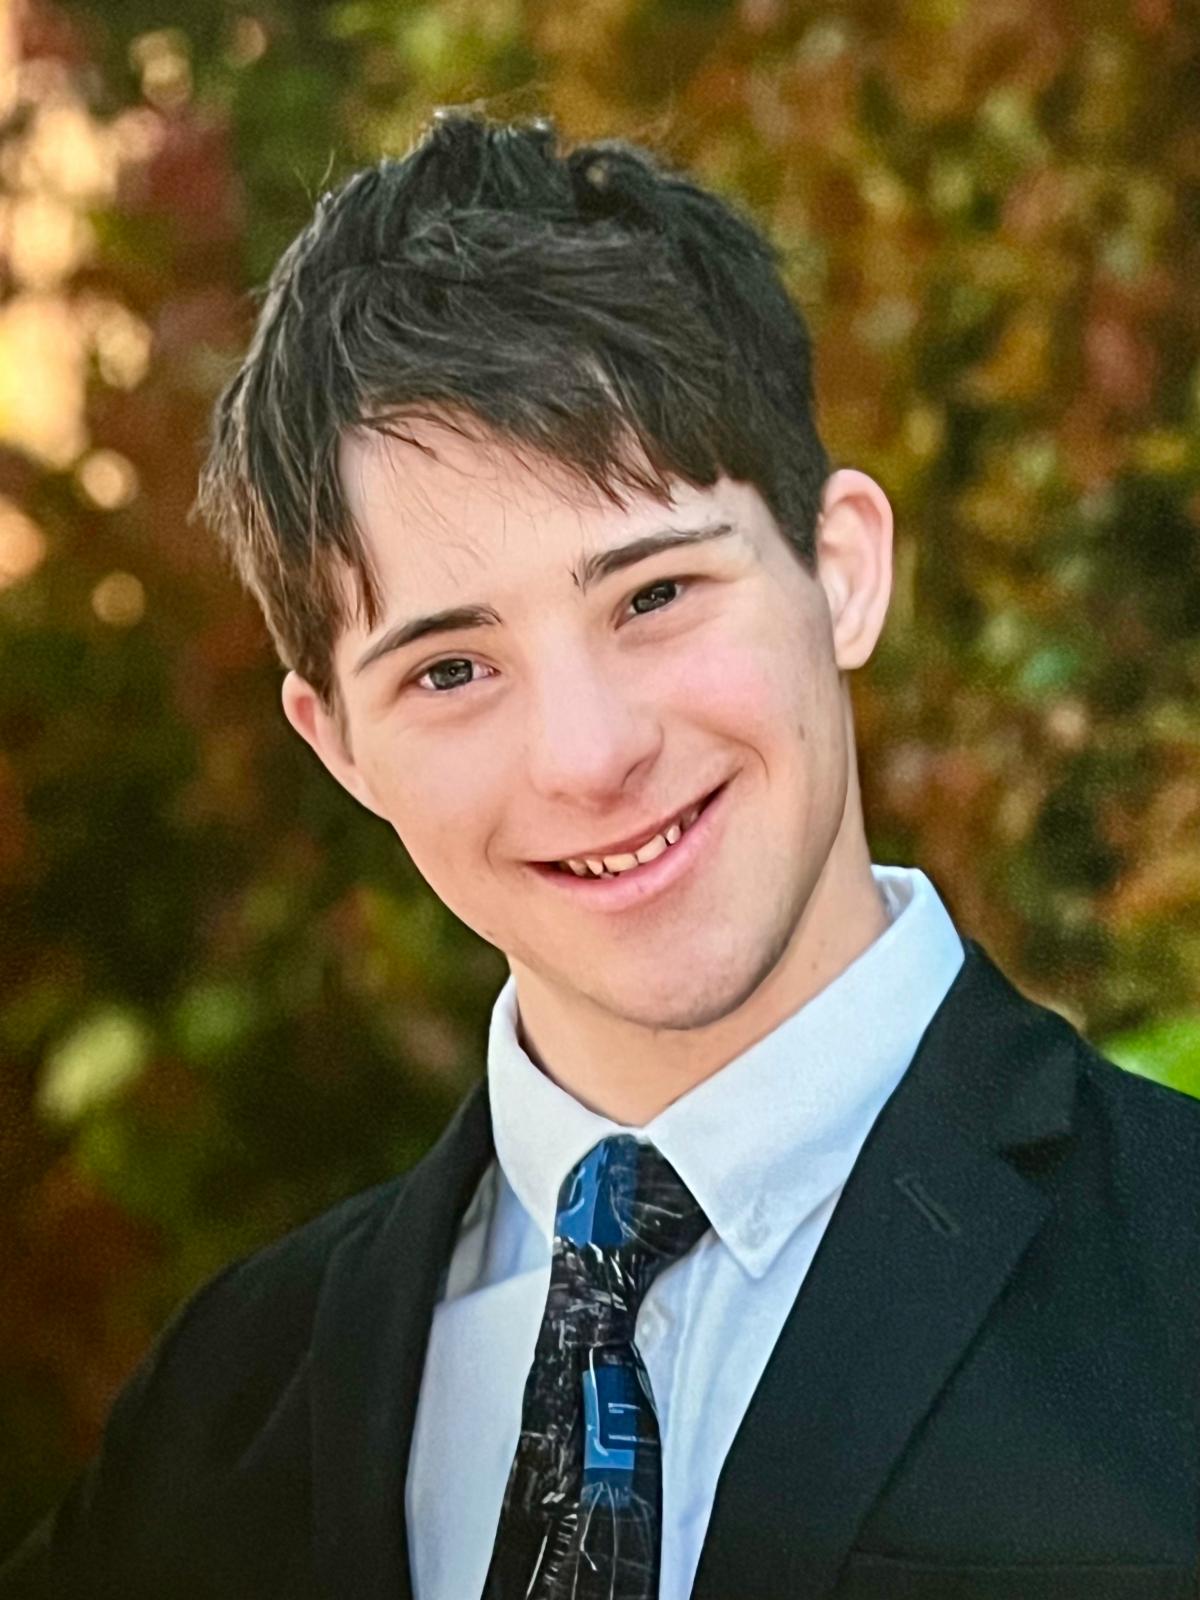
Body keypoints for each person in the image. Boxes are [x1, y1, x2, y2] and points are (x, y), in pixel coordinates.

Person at [2, 106, 1197, 1600]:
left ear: (840, 572)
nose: (588, 754)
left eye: (654, 596)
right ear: (339, 745)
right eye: (450, 670)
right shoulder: (219, 1414)